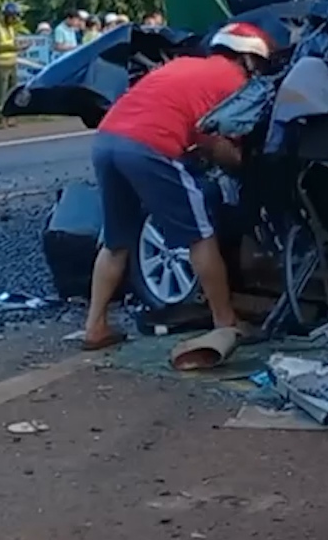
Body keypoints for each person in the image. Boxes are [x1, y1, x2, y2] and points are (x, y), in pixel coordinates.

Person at [81, 22, 277, 351]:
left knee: (117, 240)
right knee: (200, 234)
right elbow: (219, 147)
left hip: (107, 140)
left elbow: (192, 123)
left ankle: (95, 326)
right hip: (150, 147)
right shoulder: (239, 86)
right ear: (250, 59)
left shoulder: (183, 64)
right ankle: (225, 323)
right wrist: (246, 166)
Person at [0, 0, 24, 127]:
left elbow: (12, 43)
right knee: (2, 92)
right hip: (0, 64)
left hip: (12, 62)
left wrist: (19, 46)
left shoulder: (11, 28)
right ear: (6, 15)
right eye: (12, 16)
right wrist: (14, 47)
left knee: (13, 91)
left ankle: (11, 116)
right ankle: (0, 117)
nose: (14, 19)